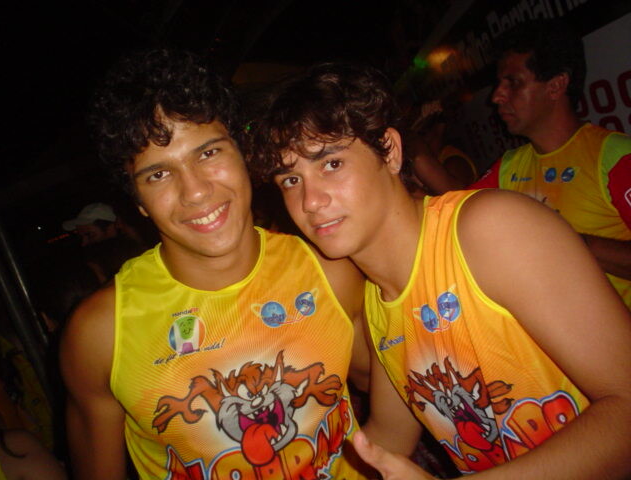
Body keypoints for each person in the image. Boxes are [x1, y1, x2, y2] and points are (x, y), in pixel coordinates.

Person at [247, 61, 631, 479]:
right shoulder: (379, 302)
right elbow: (388, 439)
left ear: (390, 151)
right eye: (291, 180)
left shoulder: (489, 231)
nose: (310, 201)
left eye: (331, 164)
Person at [59, 48, 372, 480]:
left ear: (243, 154)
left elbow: (392, 394)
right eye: (158, 174)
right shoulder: (101, 334)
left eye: (208, 153)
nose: (195, 192)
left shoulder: (331, 271)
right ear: (138, 202)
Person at [472, 19, 631, 306]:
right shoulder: (508, 166)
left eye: (513, 83)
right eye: (499, 83)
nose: (497, 96)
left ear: (556, 86)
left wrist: (567, 242)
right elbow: (454, 214)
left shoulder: (615, 157)